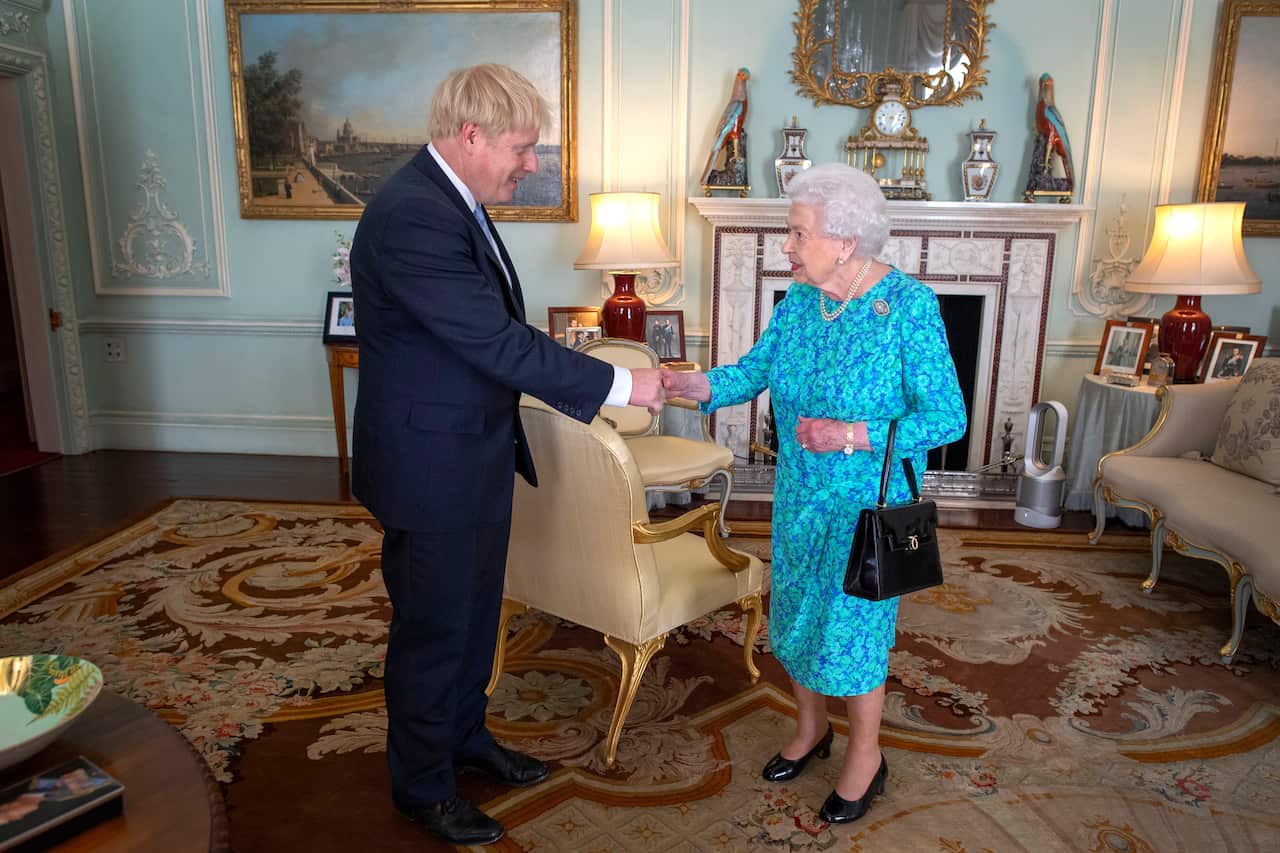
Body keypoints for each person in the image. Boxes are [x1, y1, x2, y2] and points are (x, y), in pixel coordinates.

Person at [349, 64, 665, 847]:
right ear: (471, 136)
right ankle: (422, 786)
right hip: (431, 466)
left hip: (470, 453)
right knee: (434, 628)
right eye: (523, 148)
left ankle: (464, 739)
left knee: (474, 613)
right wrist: (626, 382)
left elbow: (487, 335)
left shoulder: (454, 202)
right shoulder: (414, 216)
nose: (532, 164)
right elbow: (493, 340)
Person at [661, 163, 966, 825]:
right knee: (796, 615)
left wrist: (852, 433)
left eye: (798, 232)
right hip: (798, 496)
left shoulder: (908, 307)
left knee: (853, 632)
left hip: (867, 506)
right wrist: (693, 386)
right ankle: (809, 728)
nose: (788, 245)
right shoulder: (800, 301)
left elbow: (947, 417)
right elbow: (753, 371)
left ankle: (866, 751)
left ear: (845, 241)